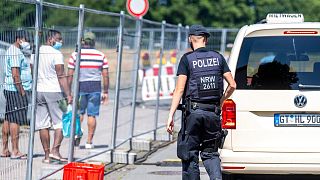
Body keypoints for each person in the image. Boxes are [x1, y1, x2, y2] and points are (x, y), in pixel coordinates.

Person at [166, 25, 236, 180]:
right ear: (206, 39)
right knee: (211, 154)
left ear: (191, 39)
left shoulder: (187, 59)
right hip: (212, 114)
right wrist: (221, 101)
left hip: (193, 114)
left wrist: (170, 115)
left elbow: (179, 90)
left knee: (190, 154)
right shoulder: (218, 57)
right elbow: (233, 85)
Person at [32, 29, 72, 164]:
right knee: (60, 122)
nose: (61, 41)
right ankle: (55, 151)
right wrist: (68, 94)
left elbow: (33, 70)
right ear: (50, 39)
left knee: (43, 124)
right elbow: (61, 75)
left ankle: (47, 156)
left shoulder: (36, 51)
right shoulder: (56, 54)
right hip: (54, 90)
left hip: (38, 90)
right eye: (59, 39)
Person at [68, 32, 109, 149]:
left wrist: (68, 91)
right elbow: (105, 75)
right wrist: (105, 91)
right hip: (95, 86)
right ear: (94, 42)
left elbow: (70, 74)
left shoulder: (75, 55)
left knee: (79, 113)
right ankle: (89, 142)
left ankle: (77, 134)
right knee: (92, 115)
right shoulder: (101, 55)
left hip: (80, 86)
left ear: (82, 41)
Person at [1, 30, 32, 159]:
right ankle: (15, 150)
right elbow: (15, 74)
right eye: (27, 40)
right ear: (19, 39)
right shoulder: (15, 52)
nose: (28, 43)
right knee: (16, 120)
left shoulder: (15, 51)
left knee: (8, 119)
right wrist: (22, 91)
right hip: (15, 90)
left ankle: (4, 149)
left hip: (12, 89)